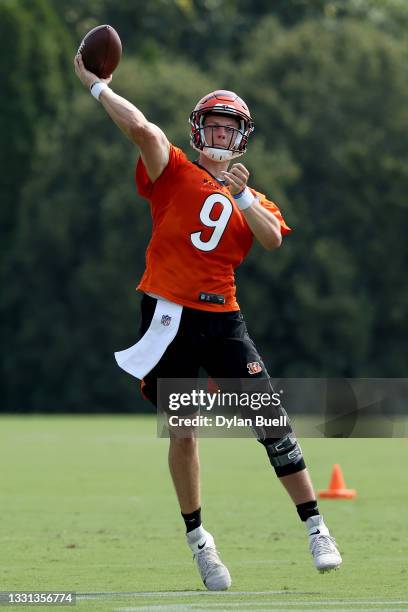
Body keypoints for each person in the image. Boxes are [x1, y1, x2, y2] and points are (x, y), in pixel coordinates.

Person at [74, 53, 342, 591]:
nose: (220, 133)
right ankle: (200, 542)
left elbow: (270, 238)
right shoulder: (173, 169)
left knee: (273, 425)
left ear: (242, 137)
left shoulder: (252, 197)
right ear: (199, 131)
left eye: (229, 126)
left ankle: (316, 526)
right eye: (213, 124)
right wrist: (98, 86)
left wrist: (241, 192)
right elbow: (141, 128)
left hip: (223, 319)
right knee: (184, 431)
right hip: (169, 314)